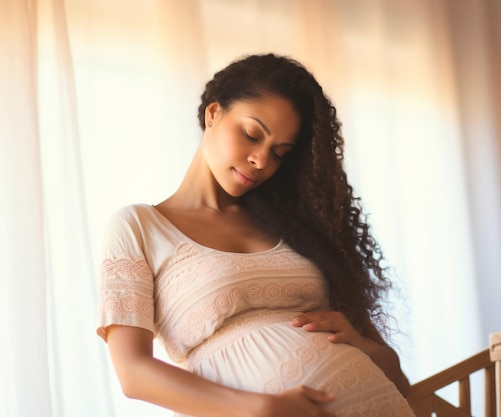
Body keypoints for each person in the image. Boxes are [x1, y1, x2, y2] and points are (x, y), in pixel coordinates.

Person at [97, 53, 414, 417]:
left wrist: (360, 344)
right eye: (251, 134)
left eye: (279, 153)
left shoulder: (296, 226)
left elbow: (398, 382)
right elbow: (133, 373)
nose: (261, 161)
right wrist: (260, 408)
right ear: (213, 114)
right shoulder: (138, 227)